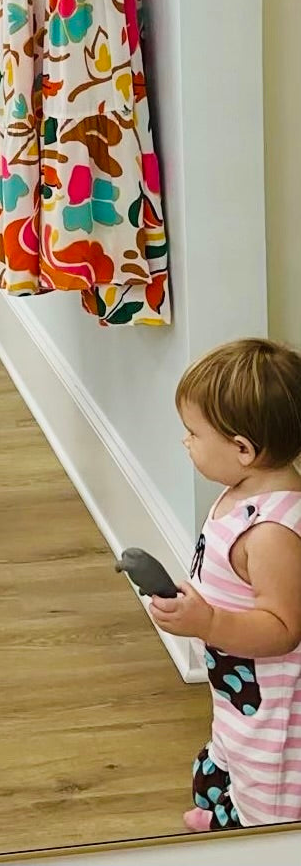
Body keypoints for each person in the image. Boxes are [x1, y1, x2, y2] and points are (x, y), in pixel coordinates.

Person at [151, 339, 301, 832]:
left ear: (242, 449)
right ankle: (224, 812)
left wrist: (209, 622)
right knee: (231, 746)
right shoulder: (243, 493)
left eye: (193, 432)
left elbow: (282, 628)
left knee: (269, 786)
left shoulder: (273, 532)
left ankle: (256, 834)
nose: (185, 442)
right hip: (240, 684)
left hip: (276, 706)